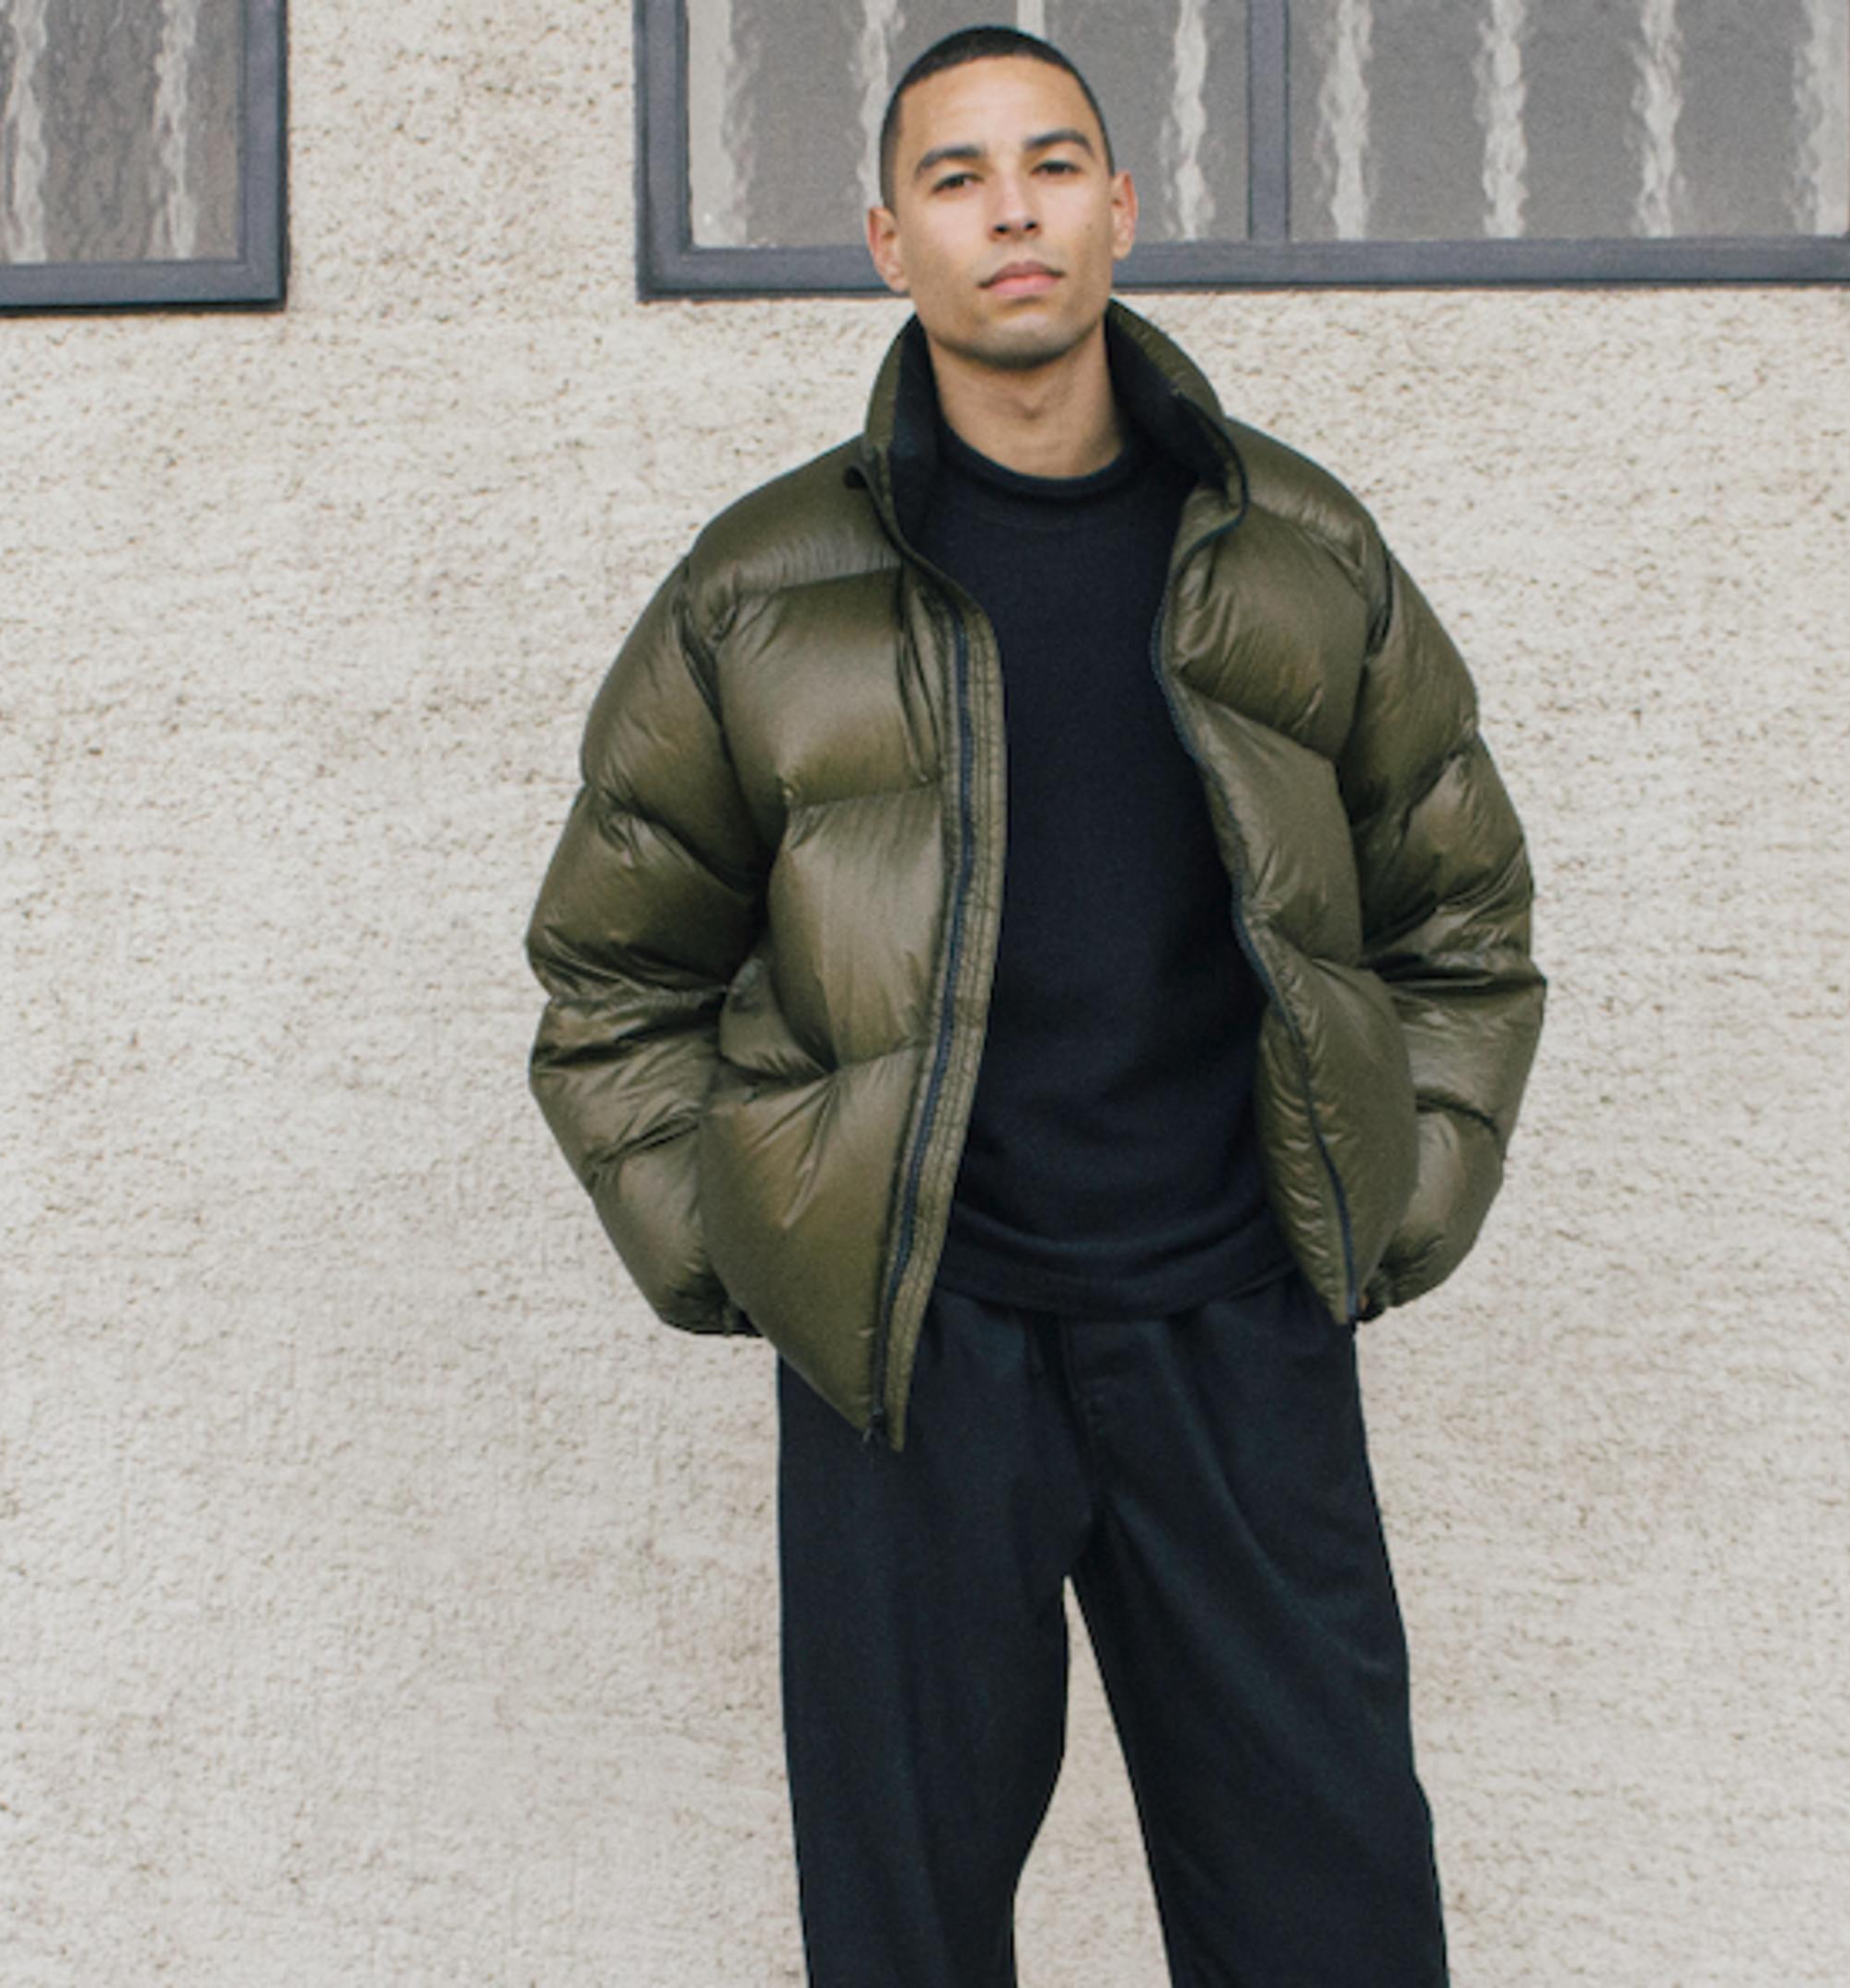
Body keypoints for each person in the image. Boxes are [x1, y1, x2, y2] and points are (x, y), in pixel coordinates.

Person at [525, 25, 1544, 1985]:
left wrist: (1385, 1210)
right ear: (888, 240)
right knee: (903, 1940)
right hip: (919, 1353)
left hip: (1234, 1328)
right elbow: (610, 970)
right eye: (960, 177)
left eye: (1055, 165)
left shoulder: (1301, 551)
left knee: (1331, 1917)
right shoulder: (760, 590)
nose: (1014, 211)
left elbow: (1461, 914)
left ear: (1121, 209)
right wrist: (764, 1254)